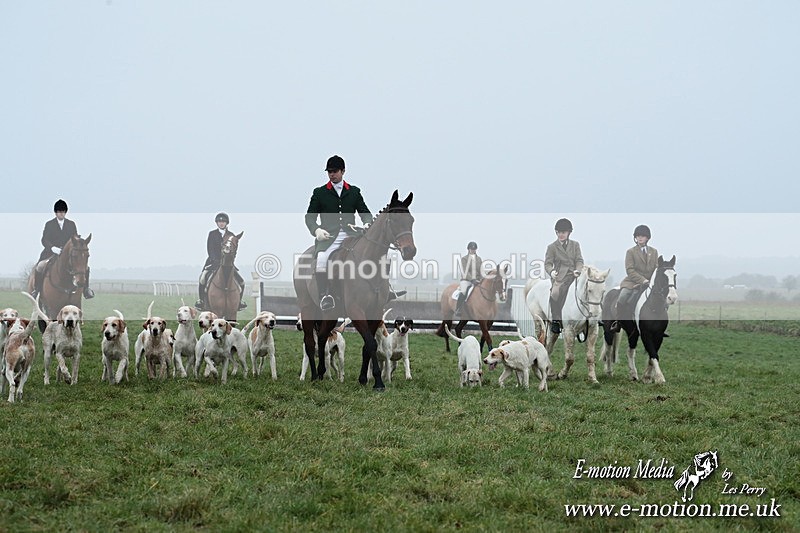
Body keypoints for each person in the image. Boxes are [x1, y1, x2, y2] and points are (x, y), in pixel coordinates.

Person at [305, 155, 374, 311]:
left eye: (335, 171)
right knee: (322, 259)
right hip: (329, 237)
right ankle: (324, 295)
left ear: (343, 171)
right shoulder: (319, 193)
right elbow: (309, 217)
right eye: (329, 172)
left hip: (352, 235)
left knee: (377, 254)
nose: (331, 174)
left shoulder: (354, 192)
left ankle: (384, 290)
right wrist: (316, 230)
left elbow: (365, 213)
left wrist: (367, 223)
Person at [31, 199, 94, 300]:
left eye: (63, 211)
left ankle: (86, 290)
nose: (61, 214)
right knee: (40, 266)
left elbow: (75, 238)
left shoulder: (71, 224)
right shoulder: (49, 224)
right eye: (59, 212)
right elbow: (44, 239)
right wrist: (52, 248)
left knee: (85, 267)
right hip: (50, 253)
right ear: (56, 212)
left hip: (68, 254)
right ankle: (37, 290)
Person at [609, 224, 658, 332]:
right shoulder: (630, 252)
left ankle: (660, 324)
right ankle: (618, 322)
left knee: (661, 298)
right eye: (638, 236)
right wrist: (642, 280)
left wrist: (651, 281)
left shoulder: (654, 252)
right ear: (635, 237)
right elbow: (630, 270)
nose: (640, 238)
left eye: (643, 236)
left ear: (647, 238)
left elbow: (656, 268)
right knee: (622, 297)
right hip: (632, 282)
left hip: (650, 283)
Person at [195, 212, 247, 311]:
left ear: (226, 223)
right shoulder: (212, 234)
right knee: (202, 279)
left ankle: (239, 302)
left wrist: (229, 261)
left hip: (227, 264)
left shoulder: (231, 235)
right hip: (213, 262)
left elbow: (233, 251)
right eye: (219, 221)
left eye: (223, 221)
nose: (221, 223)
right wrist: (215, 260)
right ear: (217, 223)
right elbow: (210, 249)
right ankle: (201, 301)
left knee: (241, 282)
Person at [544, 218, 584, 334]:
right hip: (560, 277)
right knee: (555, 292)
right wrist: (551, 272)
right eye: (559, 232)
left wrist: (578, 270)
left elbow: (579, 260)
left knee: (588, 288)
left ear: (568, 233)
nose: (561, 235)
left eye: (563, 232)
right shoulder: (552, 247)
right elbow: (547, 263)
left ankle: (590, 317)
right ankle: (556, 320)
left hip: (574, 274)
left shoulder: (575, 245)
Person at [453, 241, 483, 320]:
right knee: (463, 292)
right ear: (468, 249)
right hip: (466, 280)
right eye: (471, 249)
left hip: (477, 280)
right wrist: (472, 279)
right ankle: (458, 309)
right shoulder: (464, 259)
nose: (473, 250)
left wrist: (482, 279)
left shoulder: (479, 259)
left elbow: (481, 271)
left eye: (474, 249)